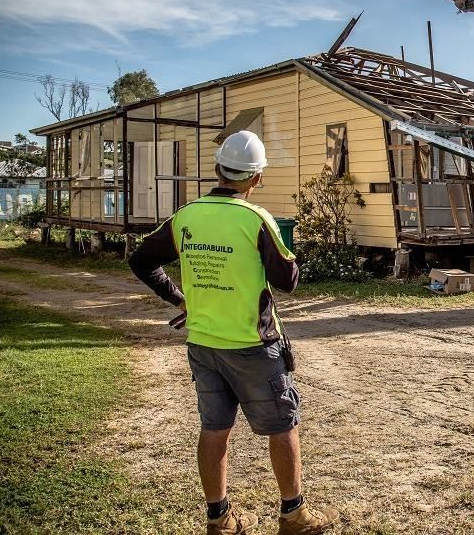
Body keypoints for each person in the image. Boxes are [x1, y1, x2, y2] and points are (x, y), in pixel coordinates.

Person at [128, 130, 339, 535]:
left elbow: (142, 260)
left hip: (203, 344)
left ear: (217, 169)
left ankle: (219, 519)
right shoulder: (256, 219)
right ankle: (294, 515)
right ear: (256, 178)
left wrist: (180, 300)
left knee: (214, 429)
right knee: (282, 425)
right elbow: (287, 281)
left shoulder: (186, 215)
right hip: (253, 346)